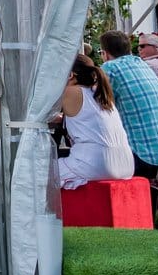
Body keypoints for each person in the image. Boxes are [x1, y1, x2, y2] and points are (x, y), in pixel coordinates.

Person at [98, 30, 158, 177]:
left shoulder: (109, 68)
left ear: (105, 54)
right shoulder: (143, 65)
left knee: (92, 164)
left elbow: (94, 107)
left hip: (147, 162)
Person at [54, 52, 132, 188]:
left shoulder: (70, 92)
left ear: (70, 75)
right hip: (125, 164)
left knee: (36, 174)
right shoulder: (100, 94)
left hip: (95, 164)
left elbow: (39, 112)